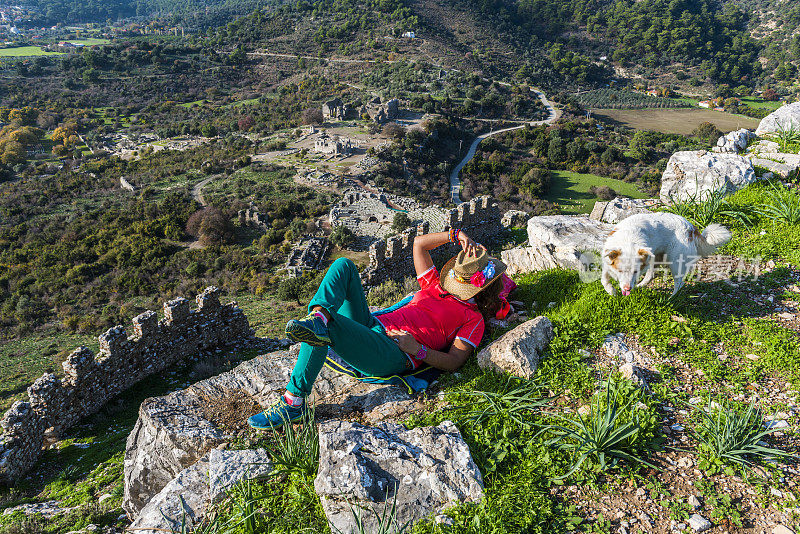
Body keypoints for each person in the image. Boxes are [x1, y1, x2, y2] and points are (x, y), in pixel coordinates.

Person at [248, 228, 507, 429]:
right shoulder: (435, 285)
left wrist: (417, 350)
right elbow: (419, 243)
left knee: (327, 328)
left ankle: (294, 402)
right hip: (373, 326)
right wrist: (456, 234)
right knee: (344, 266)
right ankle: (319, 316)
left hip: (394, 351)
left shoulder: (473, 319)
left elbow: (454, 361)